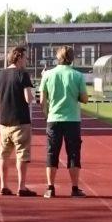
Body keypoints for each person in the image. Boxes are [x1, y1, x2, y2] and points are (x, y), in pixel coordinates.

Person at [38, 46, 89, 198]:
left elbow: (42, 100)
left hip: (53, 119)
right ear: (72, 58)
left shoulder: (48, 75)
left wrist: (46, 114)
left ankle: (50, 188)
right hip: (72, 119)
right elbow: (85, 99)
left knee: (51, 153)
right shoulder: (78, 76)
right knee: (73, 154)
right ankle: (74, 188)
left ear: (57, 57)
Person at [0, 46, 37, 197]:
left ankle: (3, 185)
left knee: (3, 155)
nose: (26, 60)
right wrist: (33, 93)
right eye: (25, 57)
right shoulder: (22, 74)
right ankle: (21, 187)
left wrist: (2, 113)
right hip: (21, 121)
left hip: (4, 122)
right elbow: (28, 98)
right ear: (18, 57)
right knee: (22, 155)